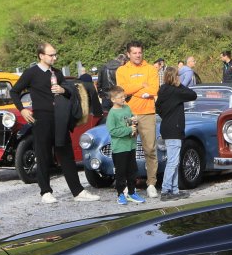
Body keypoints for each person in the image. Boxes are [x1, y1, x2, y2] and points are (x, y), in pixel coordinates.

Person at [13, 42, 97, 205]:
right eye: (51, 55)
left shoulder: (57, 73)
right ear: (41, 56)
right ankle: (45, 192)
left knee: (66, 155)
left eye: (55, 54)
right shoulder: (31, 73)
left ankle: (78, 191)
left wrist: (63, 90)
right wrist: (22, 109)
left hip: (60, 118)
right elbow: (14, 91)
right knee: (43, 155)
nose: (54, 57)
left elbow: (70, 91)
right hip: (41, 119)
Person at [115, 41, 161, 198]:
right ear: (128, 54)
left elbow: (154, 89)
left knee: (150, 149)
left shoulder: (151, 69)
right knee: (128, 150)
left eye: (140, 52)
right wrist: (142, 85)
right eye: (134, 53)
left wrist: (134, 89)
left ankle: (151, 183)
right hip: (129, 114)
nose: (137, 55)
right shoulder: (122, 70)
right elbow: (123, 90)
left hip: (148, 113)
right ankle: (129, 184)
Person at [155, 65, 196, 201]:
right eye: (178, 75)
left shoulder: (162, 90)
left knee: (174, 160)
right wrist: (180, 85)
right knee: (173, 161)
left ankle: (174, 189)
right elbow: (193, 95)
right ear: (175, 77)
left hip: (166, 126)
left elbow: (157, 107)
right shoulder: (176, 91)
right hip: (174, 129)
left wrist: (166, 115)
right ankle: (166, 190)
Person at [106, 86, 143, 206]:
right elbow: (113, 131)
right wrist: (128, 130)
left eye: (124, 96)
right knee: (120, 172)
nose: (123, 99)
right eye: (120, 97)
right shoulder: (112, 114)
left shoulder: (127, 108)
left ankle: (132, 192)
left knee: (132, 171)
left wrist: (134, 121)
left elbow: (130, 120)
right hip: (119, 148)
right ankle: (120, 194)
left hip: (131, 146)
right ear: (113, 99)